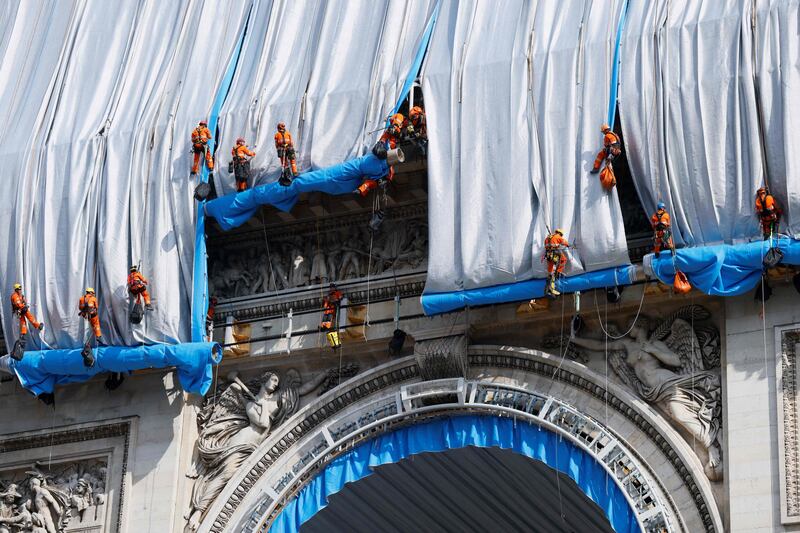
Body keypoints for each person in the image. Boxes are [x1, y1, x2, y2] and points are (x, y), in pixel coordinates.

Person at [357, 113, 406, 197]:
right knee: (387, 171)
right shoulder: (400, 118)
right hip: (385, 148)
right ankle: (364, 188)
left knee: (386, 173)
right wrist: (395, 127)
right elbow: (397, 120)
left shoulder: (385, 174)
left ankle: (363, 189)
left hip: (385, 153)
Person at [544, 229, 569, 297]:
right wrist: (568, 245)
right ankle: (558, 272)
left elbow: (546, 245)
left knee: (550, 270)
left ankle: (549, 286)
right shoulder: (558, 236)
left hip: (548, 254)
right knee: (563, 260)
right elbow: (565, 243)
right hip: (555, 252)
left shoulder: (548, 237)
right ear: (560, 233)